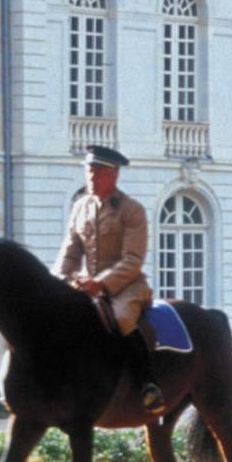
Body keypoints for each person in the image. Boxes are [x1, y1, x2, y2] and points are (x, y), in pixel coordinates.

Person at [53, 145, 165, 414]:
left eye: (97, 173)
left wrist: (101, 284)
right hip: (89, 285)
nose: (91, 178)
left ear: (113, 175)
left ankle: (147, 385)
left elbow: (132, 259)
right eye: (88, 172)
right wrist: (58, 280)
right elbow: (70, 252)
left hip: (126, 285)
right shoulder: (80, 207)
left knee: (121, 318)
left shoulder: (131, 210)